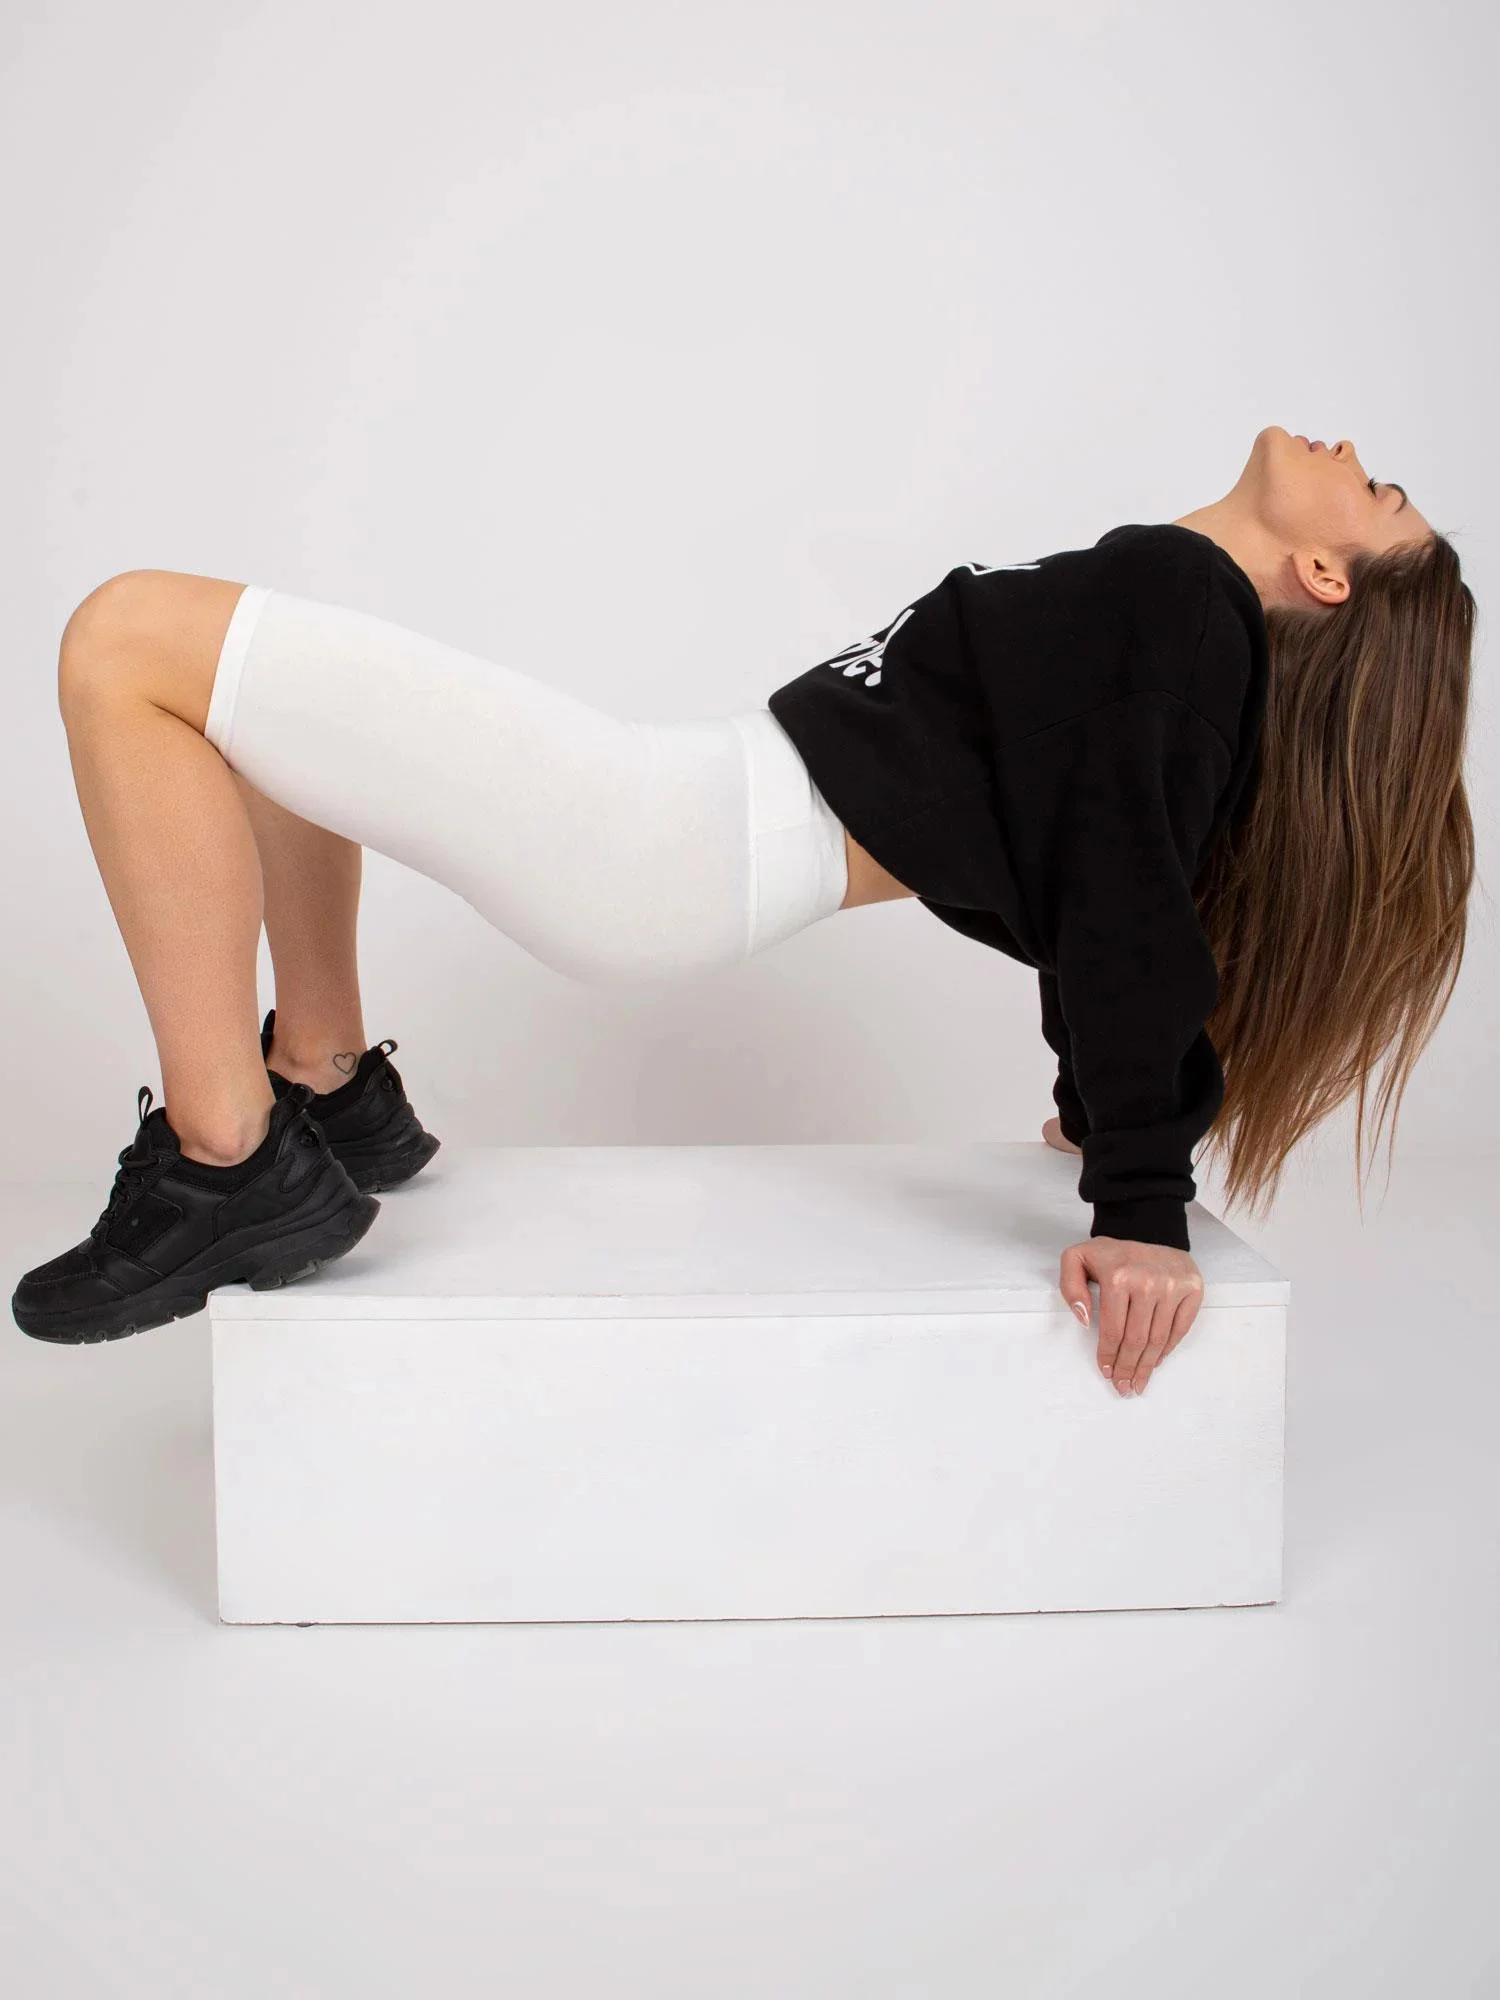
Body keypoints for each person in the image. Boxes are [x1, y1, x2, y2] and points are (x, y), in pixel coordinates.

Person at [10, 426, 1473, 1400]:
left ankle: (226, 1157)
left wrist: (1140, 1201)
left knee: (123, 642)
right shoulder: (1166, 608)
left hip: (653, 837)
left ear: (1326, 573)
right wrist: (1103, 1114)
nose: (1353, 456)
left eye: (1382, 492)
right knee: (271, 707)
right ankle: (324, 1082)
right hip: (666, 827)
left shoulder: (1181, 597)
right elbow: (1100, 865)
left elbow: (1127, 893)